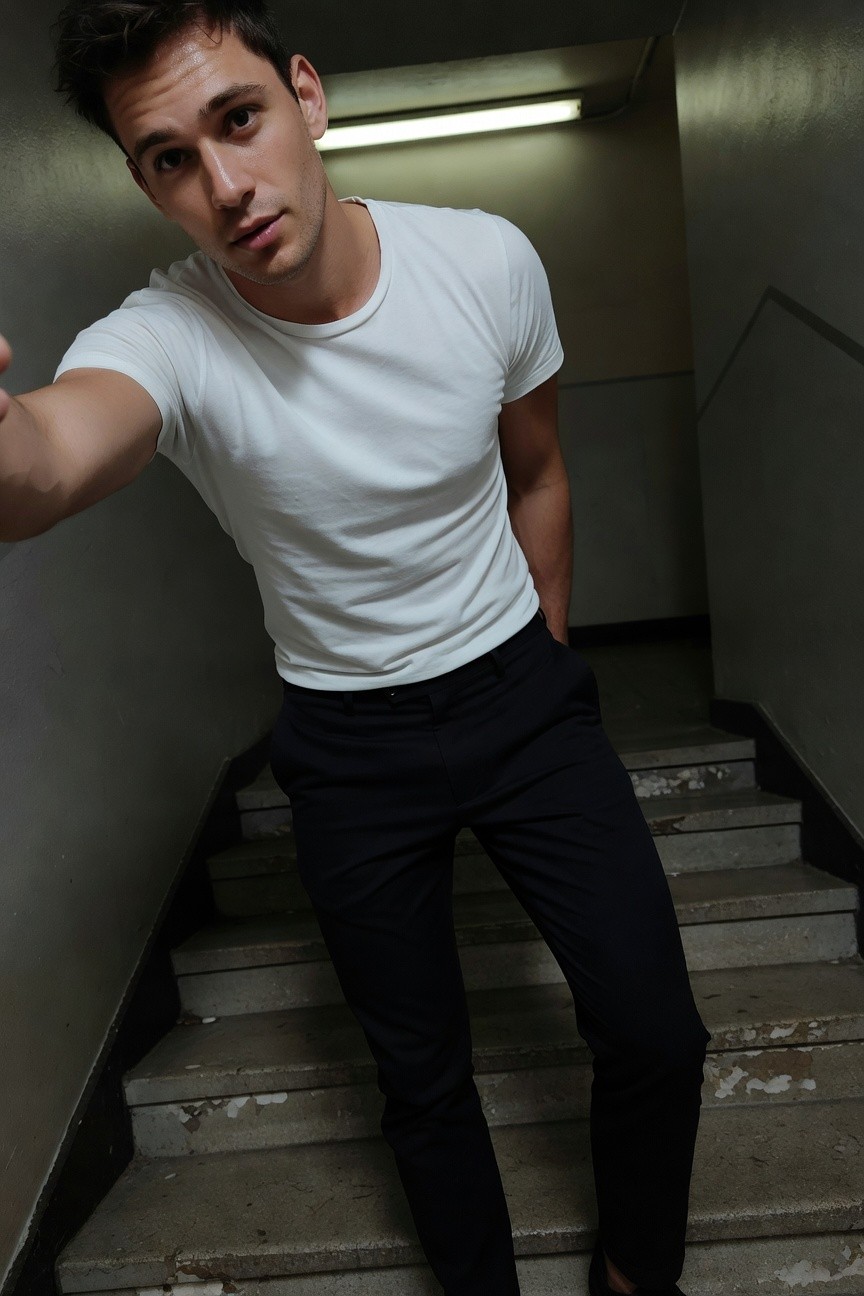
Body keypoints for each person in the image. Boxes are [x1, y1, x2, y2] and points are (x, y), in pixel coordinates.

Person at [0, 2, 711, 1292]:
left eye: (239, 119)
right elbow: (43, 467)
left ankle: (632, 1278)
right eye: (172, 158)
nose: (226, 185)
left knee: (657, 1030)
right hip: (347, 744)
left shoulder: (484, 261)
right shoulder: (168, 334)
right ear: (147, 187)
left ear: (308, 97)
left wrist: (545, 658)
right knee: (422, 1079)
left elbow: (538, 472)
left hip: (523, 695)